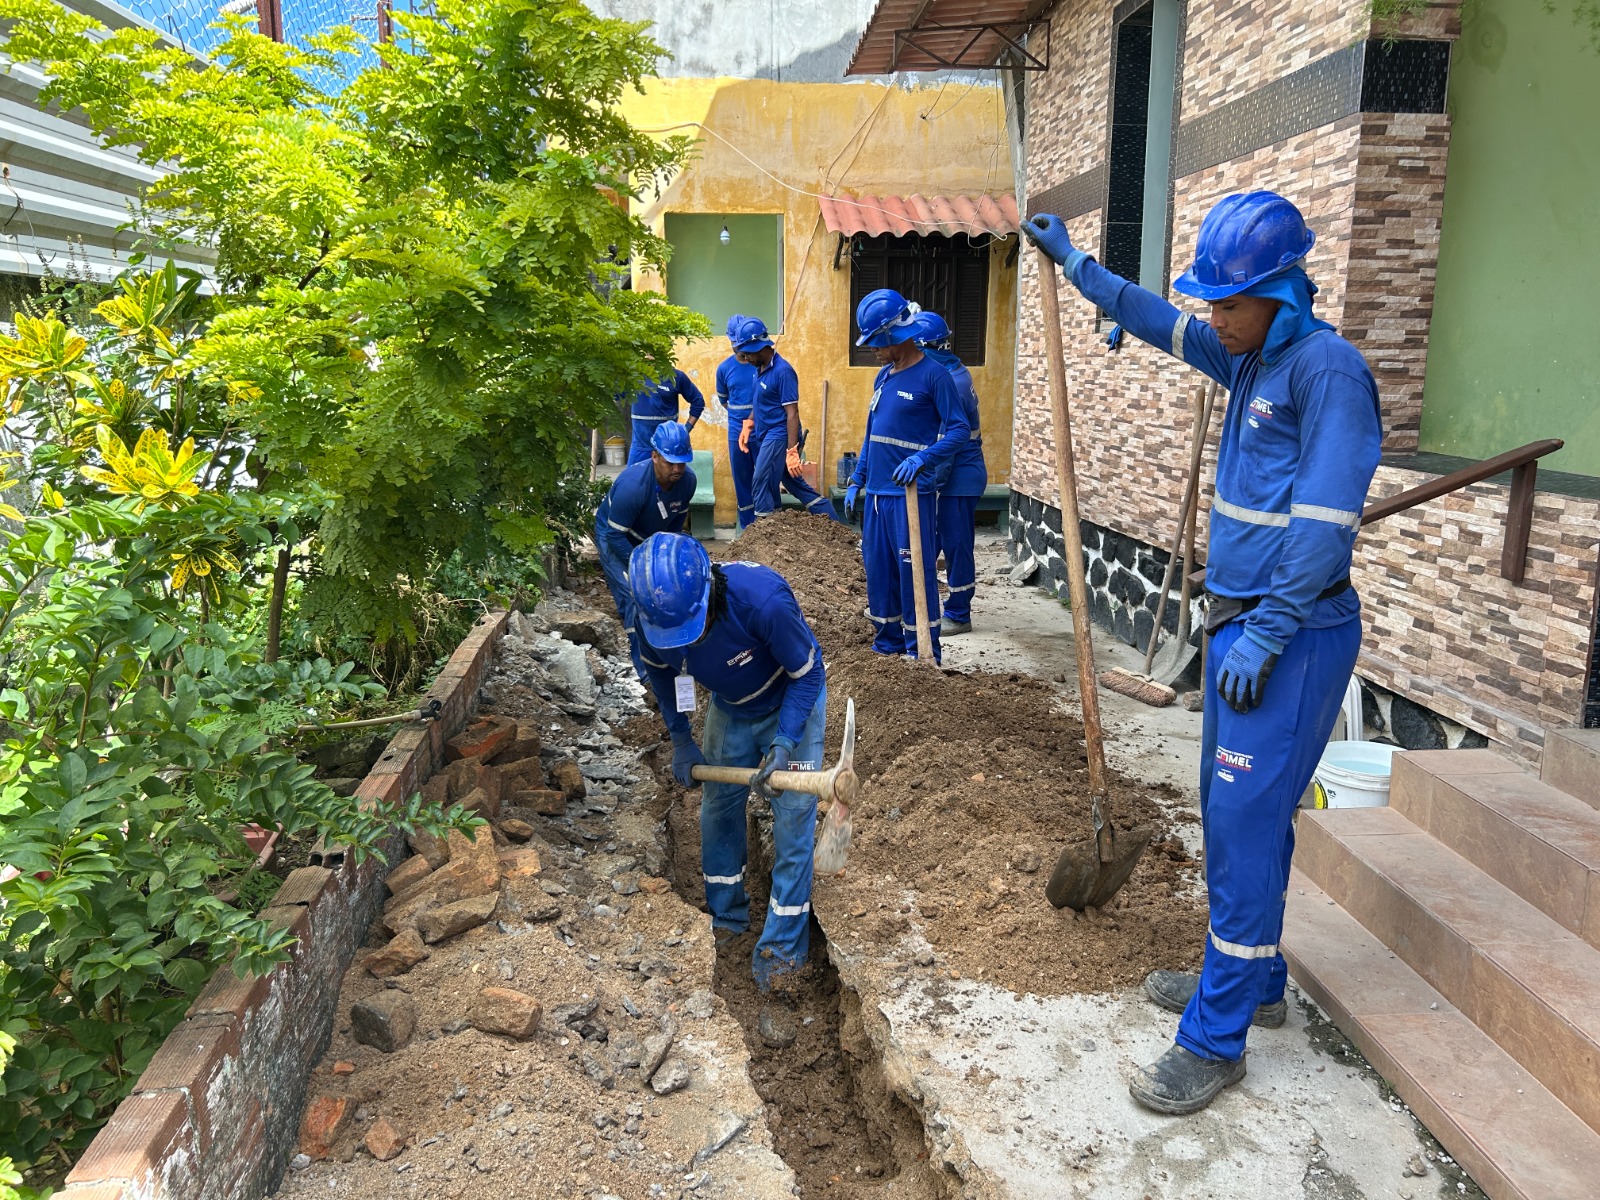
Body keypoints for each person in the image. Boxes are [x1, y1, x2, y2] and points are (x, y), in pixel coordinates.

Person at [1025, 191, 1382, 1115]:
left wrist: (1267, 628)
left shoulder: (1326, 374)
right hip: (1240, 627)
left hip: (1290, 638)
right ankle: (1254, 984)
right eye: (1214, 302)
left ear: (1282, 291)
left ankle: (1215, 1041)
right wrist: (1082, 272)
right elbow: (1161, 323)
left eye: (1228, 300)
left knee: (1243, 825)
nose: (1213, 317)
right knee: (1236, 815)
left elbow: (1328, 520)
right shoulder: (1250, 359)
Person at [628, 533, 827, 991]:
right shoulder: (652, 620)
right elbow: (662, 676)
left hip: (791, 703)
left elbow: (808, 674)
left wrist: (783, 744)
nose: (686, 642)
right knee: (718, 808)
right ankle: (726, 920)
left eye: (694, 628)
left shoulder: (764, 602)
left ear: (709, 592)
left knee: (793, 824)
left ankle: (781, 954)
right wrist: (680, 738)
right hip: (731, 708)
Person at [845, 289, 970, 663]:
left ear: (894, 336)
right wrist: (857, 478)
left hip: (911, 497)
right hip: (878, 497)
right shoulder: (883, 376)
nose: (873, 351)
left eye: (877, 343)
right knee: (879, 571)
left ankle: (923, 651)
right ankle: (888, 644)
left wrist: (924, 460)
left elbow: (959, 430)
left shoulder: (934, 376)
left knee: (914, 572)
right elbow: (872, 433)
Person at [910, 311, 988, 636]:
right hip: (958, 474)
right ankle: (924, 604)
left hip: (960, 478)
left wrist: (928, 485)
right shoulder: (954, 369)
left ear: (927, 346)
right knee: (939, 540)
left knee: (956, 544)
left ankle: (959, 612)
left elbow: (946, 447)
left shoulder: (950, 383)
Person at [593, 421, 697, 644]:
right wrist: (641, 568)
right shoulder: (633, 487)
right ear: (655, 456)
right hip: (614, 534)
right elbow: (614, 535)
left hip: (649, 534)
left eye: (683, 463)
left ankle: (670, 642)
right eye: (671, 463)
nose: (678, 469)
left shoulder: (688, 482)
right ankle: (644, 667)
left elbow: (678, 520)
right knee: (634, 594)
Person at [731, 316, 840, 522]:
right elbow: (759, 402)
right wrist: (749, 423)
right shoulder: (759, 370)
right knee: (794, 483)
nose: (746, 359)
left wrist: (792, 451)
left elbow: (792, 413)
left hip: (779, 434)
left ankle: (764, 531)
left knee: (761, 479)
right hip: (765, 433)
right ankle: (835, 524)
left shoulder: (783, 372)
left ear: (759, 347)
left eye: (747, 354)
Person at [715, 314, 759, 530]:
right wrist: (740, 420)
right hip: (736, 433)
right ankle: (748, 529)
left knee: (762, 478)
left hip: (761, 431)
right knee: (742, 481)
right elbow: (724, 401)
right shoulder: (724, 369)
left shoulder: (760, 363)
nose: (738, 347)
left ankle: (767, 528)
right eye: (734, 343)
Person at [627, 364, 704, 465]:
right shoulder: (632, 376)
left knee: (671, 479)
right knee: (632, 479)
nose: (648, 354)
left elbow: (698, 402)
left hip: (668, 450)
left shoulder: (675, 376)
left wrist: (686, 430)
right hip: (640, 447)